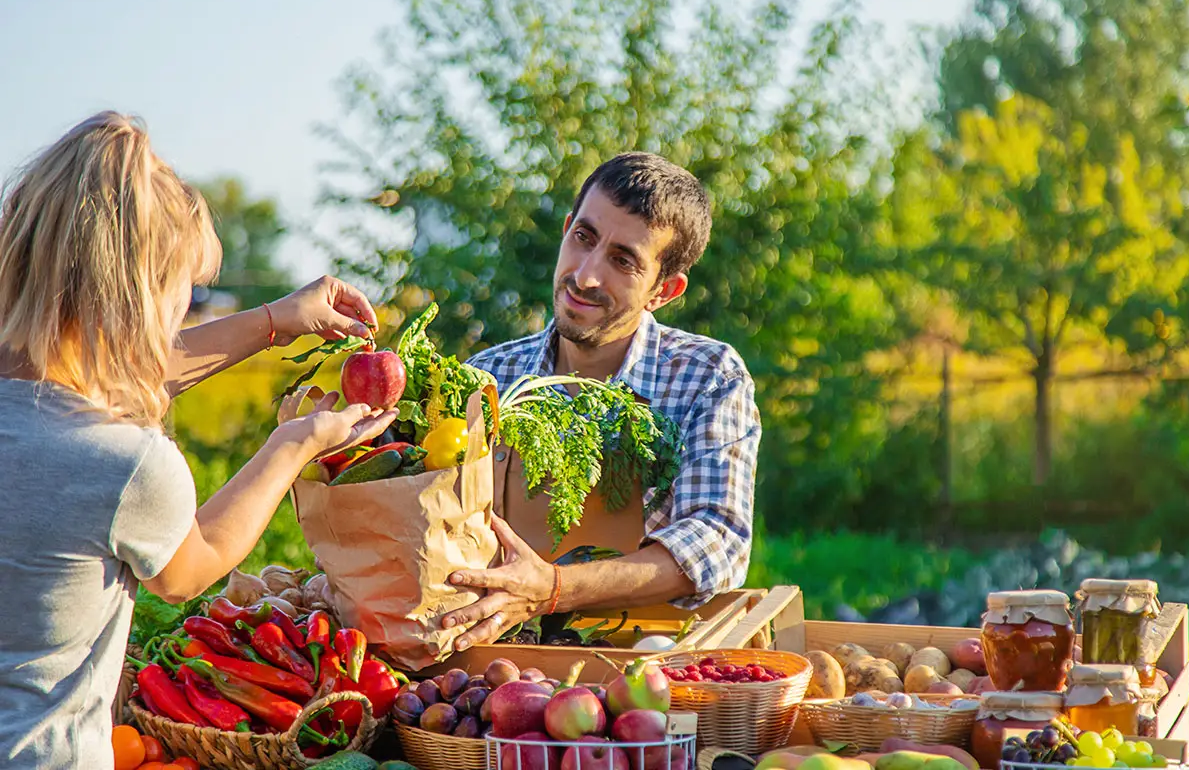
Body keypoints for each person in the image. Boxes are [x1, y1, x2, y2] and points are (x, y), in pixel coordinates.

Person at [0, 112, 396, 768]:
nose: (186, 310)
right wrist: (294, 445)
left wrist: (273, 322)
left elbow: (84, 382)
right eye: (183, 292)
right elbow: (194, 564)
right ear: (136, 294)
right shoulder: (123, 465)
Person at [443, 152, 760, 650]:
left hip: (645, 671)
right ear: (567, 228)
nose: (586, 276)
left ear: (665, 289)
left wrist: (553, 589)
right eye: (583, 238)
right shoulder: (488, 377)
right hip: (492, 662)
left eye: (623, 261)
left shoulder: (707, 377)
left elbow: (716, 539)